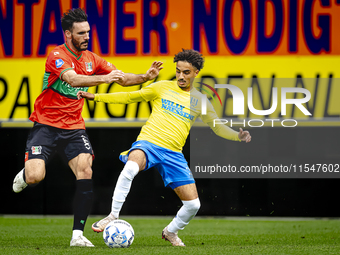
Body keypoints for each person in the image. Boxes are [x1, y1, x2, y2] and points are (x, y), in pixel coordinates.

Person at [12, 8, 163, 247]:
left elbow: (121, 78)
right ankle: (25, 174)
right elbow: (72, 79)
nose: (86, 36)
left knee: (85, 170)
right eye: (81, 33)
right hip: (46, 125)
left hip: (74, 128)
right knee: (34, 177)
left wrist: (145, 76)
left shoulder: (93, 58)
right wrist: (105, 79)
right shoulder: (57, 56)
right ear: (68, 34)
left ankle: (77, 236)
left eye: (88, 32)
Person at [77, 49, 251, 246]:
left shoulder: (201, 101)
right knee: (131, 168)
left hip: (173, 154)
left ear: (196, 73)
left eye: (186, 72)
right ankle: (112, 215)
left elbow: (218, 128)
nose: (181, 76)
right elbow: (129, 97)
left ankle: (171, 231)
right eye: (178, 71)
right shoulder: (162, 87)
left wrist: (237, 136)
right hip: (149, 143)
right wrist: (96, 98)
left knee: (193, 205)